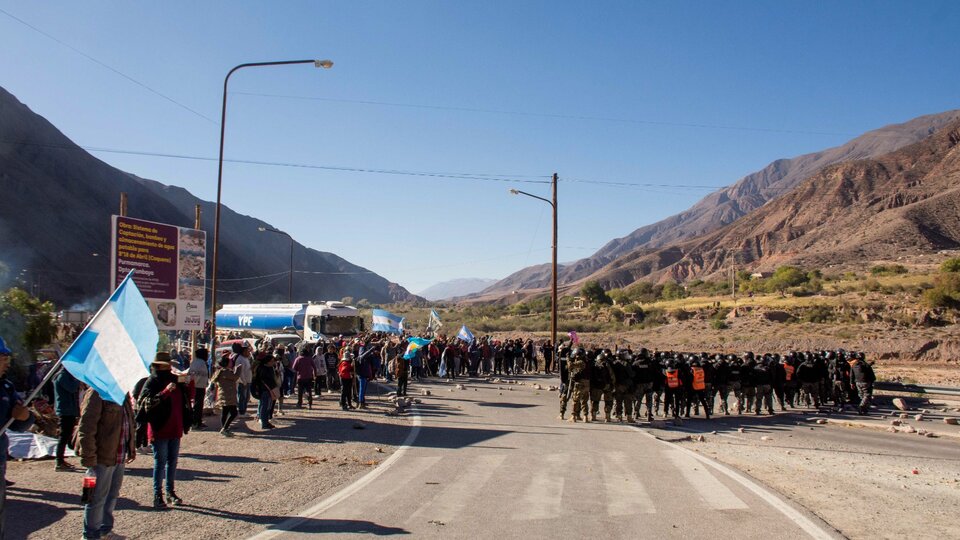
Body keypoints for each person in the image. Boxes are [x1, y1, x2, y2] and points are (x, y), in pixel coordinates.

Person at [77, 385, 136, 540]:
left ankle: (104, 531)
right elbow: (86, 427)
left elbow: (128, 422)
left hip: (118, 456)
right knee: (93, 498)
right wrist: (89, 458)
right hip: (100, 458)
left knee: (112, 495)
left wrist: (131, 448)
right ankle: (90, 535)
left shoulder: (122, 392)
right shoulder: (96, 392)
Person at [138, 352, 191, 509]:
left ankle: (170, 492)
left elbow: (186, 401)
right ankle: (157, 494)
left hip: (175, 427)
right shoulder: (152, 382)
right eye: (165, 364)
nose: (168, 366)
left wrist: (187, 385)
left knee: (172, 462)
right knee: (160, 462)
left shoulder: (175, 379)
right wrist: (165, 392)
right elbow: (145, 403)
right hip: (159, 428)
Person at [0, 337, 35, 538]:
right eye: (3, 357)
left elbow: (20, 423)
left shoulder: (6, 387)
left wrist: (24, 417)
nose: (7, 363)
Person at [53, 367, 81, 471]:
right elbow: (72, 388)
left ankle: (61, 460)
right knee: (63, 436)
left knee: (66, 435)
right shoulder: (62, 376)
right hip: (65, 411)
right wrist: (78, 379)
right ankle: (59, 462)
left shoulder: (65, 375)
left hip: (69, 410)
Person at [211, 355, 239, 436]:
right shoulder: (226, 372)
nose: (231, 362)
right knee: (234, 413)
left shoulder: (220, 371)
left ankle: (224, 428)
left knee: (225, 412)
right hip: (228, 396)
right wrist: (238, 369)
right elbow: (235, 377)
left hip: (223, 395)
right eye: (230, 361)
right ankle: (225, 428)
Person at [252, 354, 278, 429]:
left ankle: (266, 421)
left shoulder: (269, 368)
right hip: (265, 390)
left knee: (267, 407)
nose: (273, 362)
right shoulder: (263, 369)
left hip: (268, 390)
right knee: (265, 407)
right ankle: (264, 423)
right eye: (272, 361)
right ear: (267, 362)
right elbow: (264, 380)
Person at [187, 348, 210, 429]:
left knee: (199, 405)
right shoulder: (200, 363)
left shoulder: (196, 362)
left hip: (198, 386)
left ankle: (198, 422)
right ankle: (195, 423)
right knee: (198, 406)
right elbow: (195, 375)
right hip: (198, 387)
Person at [232, 343, 253, 416]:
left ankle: (244, 410)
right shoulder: (240, 359)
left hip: (248, 381)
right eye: (247, 351)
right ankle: (241, 412)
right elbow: (240, 372)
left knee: (246, 397)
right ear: (243, 352)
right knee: (242, 397)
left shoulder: (246, 359)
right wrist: (244, 381)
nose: (248, 353)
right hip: (242, 382)